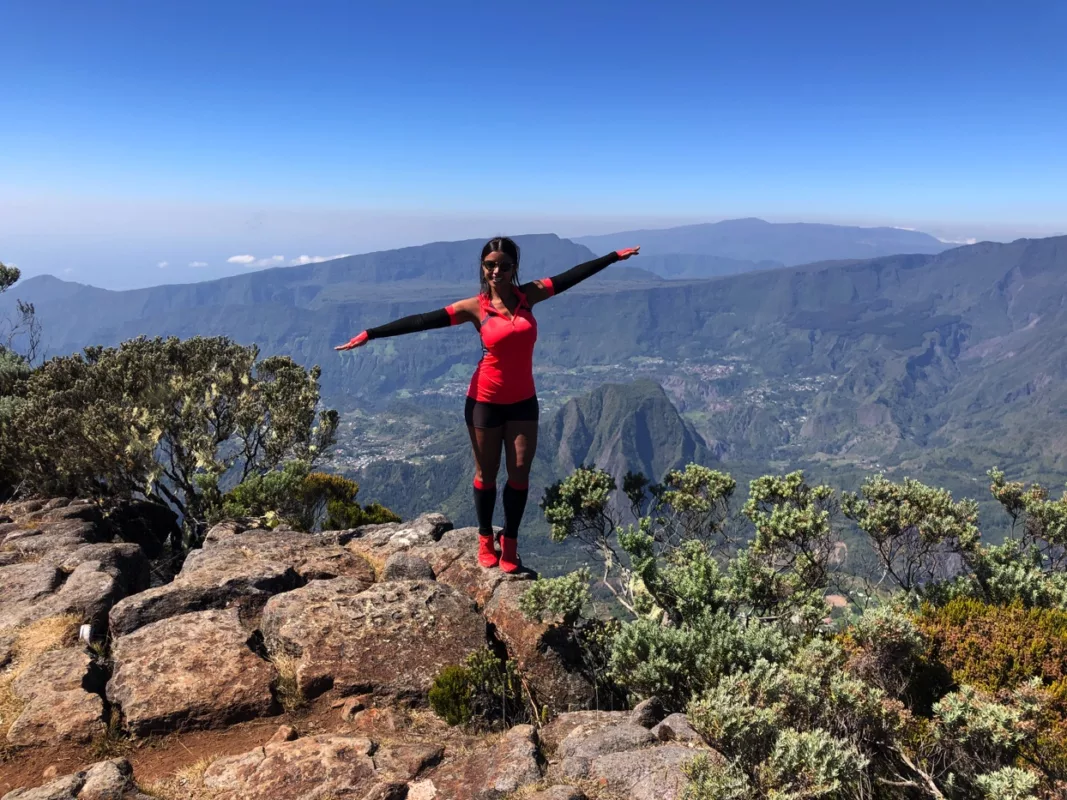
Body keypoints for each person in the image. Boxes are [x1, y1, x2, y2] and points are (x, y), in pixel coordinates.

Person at [335, 237, 640, 573]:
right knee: (487, 474)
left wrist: (612, 257)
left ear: (514, 268)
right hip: (484, 401)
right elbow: (423, 320)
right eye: (490, 265)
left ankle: (509, 540)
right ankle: (484, 537)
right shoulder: (474, 308)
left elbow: (571, 276)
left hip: (524, 401)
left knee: (520, 473)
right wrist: (371, 333)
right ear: (483, 267)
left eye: (504, 265)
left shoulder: (530, 295)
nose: (497, 271)